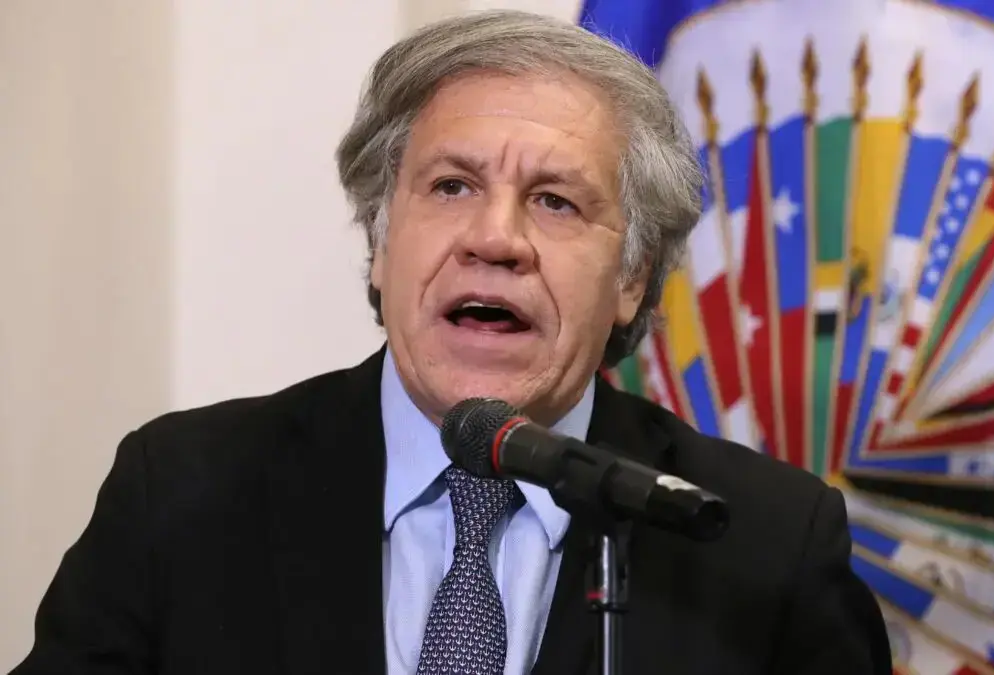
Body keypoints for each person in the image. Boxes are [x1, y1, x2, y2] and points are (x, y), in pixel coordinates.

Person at [11, 10, 890, 675]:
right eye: (451, 186)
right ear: (381, 238)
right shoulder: (183, 492)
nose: (495, 239)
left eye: (555, 201)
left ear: (633, 276)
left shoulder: (764, 543)